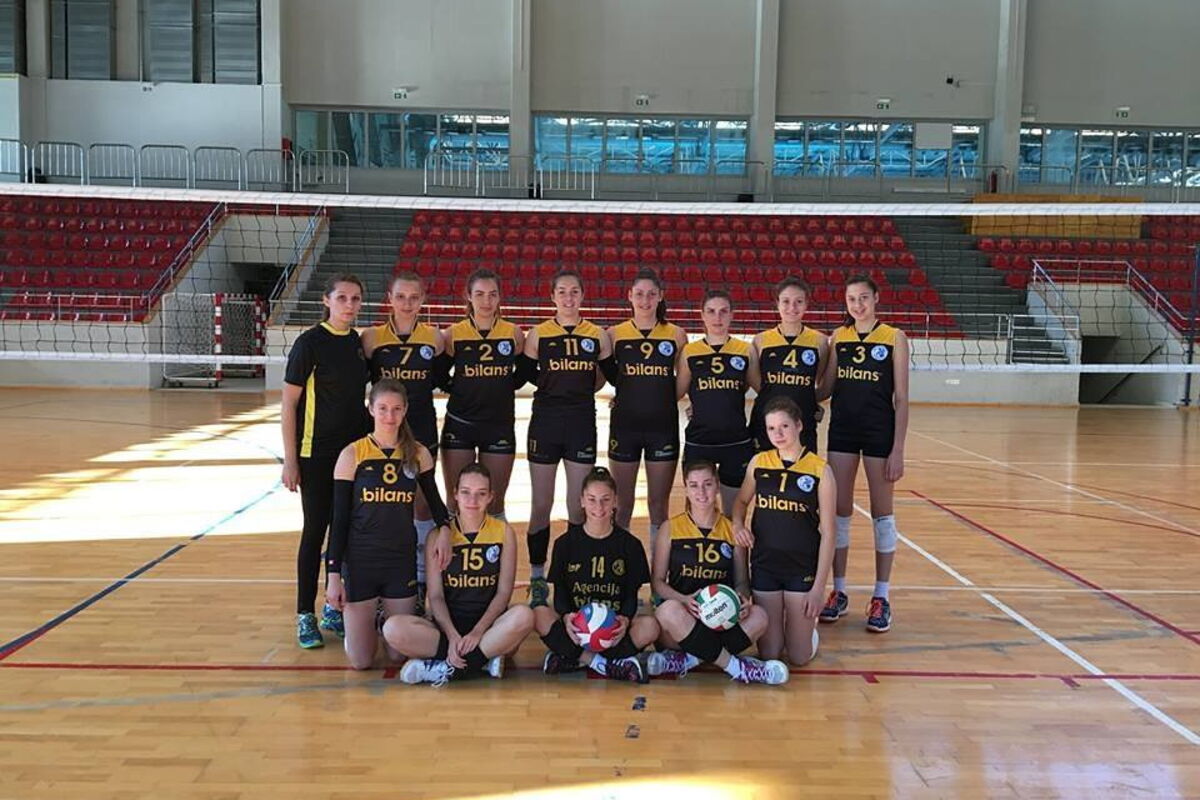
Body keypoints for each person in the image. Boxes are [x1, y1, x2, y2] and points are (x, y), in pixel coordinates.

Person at [323, 379, 453, 669]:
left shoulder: (418, 453)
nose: (389, 416)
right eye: (382, 408)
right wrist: (333, 575)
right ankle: (365, 622)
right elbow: (339, 520)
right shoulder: (352, 454)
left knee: (397, 656)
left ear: (405, 410)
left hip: (399, 560)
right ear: (370, 409)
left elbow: (436, 504)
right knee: (361, 662)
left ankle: (384, 620)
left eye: (396, 409)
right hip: (361, 561)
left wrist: (445, 529)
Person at [281, 273, 370, 649]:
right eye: (342, 298)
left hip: (352, 455)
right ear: (326, 300)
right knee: (315, 529)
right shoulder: (309, 343)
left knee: (344, 531)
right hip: (315, 454)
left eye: (355, 299)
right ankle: (305, 614)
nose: (349, 305)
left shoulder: (356, 344)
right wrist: (290, 460)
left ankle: (334, 608)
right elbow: (289, 404)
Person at [817, 275, 909, 633]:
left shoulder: (894, 337)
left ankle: (881, 596)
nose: (858, 305)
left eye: (864, 298)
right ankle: (839, 591)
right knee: (838, 513)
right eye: (852, 299)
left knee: (882, 514)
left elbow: (902, 399)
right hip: (843, 431)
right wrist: (791, 394)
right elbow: (826, 387)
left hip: (878, 433)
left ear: (876, 299)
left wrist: (898, 449)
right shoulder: (838, 337)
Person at [386, 463, 535, 684]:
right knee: (393, 628)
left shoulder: (503, 533)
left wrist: (478, 632)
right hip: (448, 628)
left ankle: (446, 668)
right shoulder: (438, 536)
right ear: (455, 494)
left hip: (490, 629)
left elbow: (504, 593)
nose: (472, 500)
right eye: (465, 492)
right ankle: (481, 661)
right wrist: (452, 635)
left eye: (481, 494)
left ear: (490, 497)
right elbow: (435, 596)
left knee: (524, 616)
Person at [648, 460, 787, 685]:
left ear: (717, 486)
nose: (701, 492)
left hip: (721, 618)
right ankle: (735, 667)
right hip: (683, 622)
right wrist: (683, 599)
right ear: (686, 489)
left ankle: (688, 660)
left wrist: (742, 601)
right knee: (667, 611)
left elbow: (742, 581)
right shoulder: (670, 528)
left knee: (760, 616)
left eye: (707, 484)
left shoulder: (732, 530)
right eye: (694, 485)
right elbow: (657, 582)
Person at [522, 270, 611, 606]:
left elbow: (607, 376)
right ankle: (537, 576)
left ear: (582, 295)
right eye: (562, 291)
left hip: (580, 423)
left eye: (574, 291)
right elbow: (526, 375)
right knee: (541, 504)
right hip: (545, 424)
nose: (568, 297)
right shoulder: (538, 334)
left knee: (577, 505)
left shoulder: (597, 335)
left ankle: (575, 576)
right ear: (552, 296)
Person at [731, 396, 836, 666]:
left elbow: (829, 533)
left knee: (798, 657)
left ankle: (808, 632)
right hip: (766, 565)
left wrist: (818, 588)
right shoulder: (759, 462)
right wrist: (738, 525)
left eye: (784, 426)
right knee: (770, 653)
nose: (777, 434)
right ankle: (794, 629)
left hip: (801, 568)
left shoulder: (820, 470)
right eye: (771, 428)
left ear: (799, 425)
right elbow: (740, 503)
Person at [361, 272, 446, 600]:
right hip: (384, 431)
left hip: (422, 428)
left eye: (414, 297)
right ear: (390, 298)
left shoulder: (435, 338)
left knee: (422, 503)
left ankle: (421, 577)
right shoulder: (372, 338)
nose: (407, 303)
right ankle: (387, 575)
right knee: (387, 503)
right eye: (400, 297)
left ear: (423, 299)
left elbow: (441, 379)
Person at [532, 467, 659, 683]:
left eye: (605, 500)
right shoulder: (565, 544)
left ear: (615, 501)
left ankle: (574, 658)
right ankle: (603, 663)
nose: (598, 507)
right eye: (591, 499)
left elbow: (631, 595)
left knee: (651, 626)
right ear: (581, 501)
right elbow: (560, 594)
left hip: (613, 630)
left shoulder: (630, 545)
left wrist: (625, 620)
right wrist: (567, 617)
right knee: (538, 614)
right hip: (576, 629)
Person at [602, 268, 688, 553]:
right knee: (622, 505)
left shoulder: (676, 335)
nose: (645, 300)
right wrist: (627, 396)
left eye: (651, 294)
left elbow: (683, 383)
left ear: (660, 296)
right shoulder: (614, 334)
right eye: (639, 294)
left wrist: (656, 398)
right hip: (625, 428)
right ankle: (621, 567)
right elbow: (604, 378)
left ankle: (658, 571)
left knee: (658, 506)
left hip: (662, 428)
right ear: (629, 296)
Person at [440, 268, 525, 519]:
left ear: (499, 297)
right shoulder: (453, 334)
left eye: (492, 294)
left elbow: (522, 374)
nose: (486, 301)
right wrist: (461, 390)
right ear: (468, 296)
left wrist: (501, 387)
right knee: (456, 501)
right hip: (460, 423)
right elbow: (439, 375)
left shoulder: (513, 333)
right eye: (479, 294)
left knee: (494, 503)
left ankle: (494, 546)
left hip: (499, 426)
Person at [677, 289, 761, 514]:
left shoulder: (745, 350)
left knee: (733, 512)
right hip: (700, 441)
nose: (718, 317)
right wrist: (625, 396)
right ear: (702, 315)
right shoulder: (690, 352)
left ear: (732, 315)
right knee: (697, 510)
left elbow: (762, 390)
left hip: (735, 441)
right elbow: (676, 392)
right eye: (711, 311)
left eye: (724, 311)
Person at [751, 277, 828, 455]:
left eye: (798, 301)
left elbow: (819, 382)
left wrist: (811, 402)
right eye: (786, 301)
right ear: (777, 303)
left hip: (802, 423)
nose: (792, 307)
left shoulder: (820, 341)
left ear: (806, 304)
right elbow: (758, 385)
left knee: (802, 471)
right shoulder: (760, 340)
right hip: (766, 422)